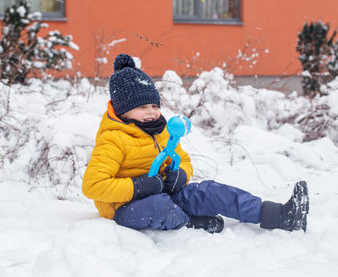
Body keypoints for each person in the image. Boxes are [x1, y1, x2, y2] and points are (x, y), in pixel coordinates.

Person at [82, 54, 309, 233]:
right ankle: (191, 222)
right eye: (142, 107)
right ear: (123, 110)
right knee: (160, 207)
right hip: (124, 209)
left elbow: (184, 160)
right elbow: (92, 186)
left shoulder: (162, 131)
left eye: (154, 105)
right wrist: (138, 187)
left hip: (164, 194)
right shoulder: (113, 139)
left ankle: (278, 215)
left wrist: (181, 174)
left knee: (211, 191)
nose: (151, 112)